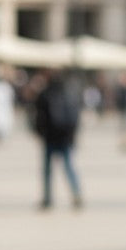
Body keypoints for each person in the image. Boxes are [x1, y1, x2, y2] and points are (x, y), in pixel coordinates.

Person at [34, 69, 84, 209]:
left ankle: (47, 198)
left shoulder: (44, 93)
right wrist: (74, 134)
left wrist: (39, 132)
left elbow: (38, 117)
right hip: (65, 136)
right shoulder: (69, 93)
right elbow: (75, 115)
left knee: (47, 170)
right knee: (68, 167)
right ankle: (76, 193)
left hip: (50, 136)